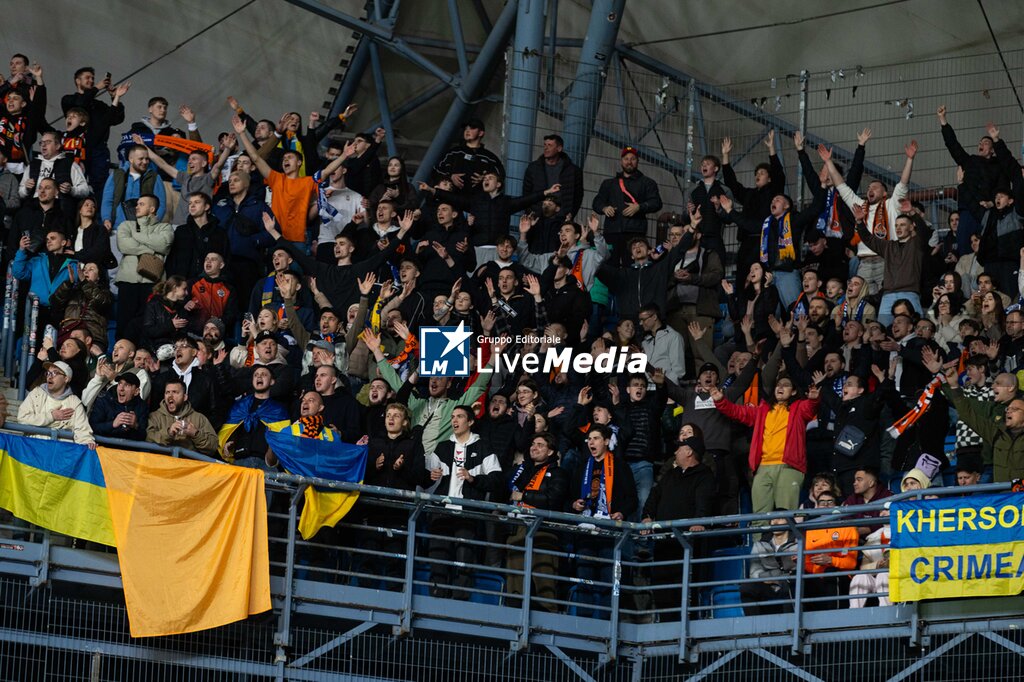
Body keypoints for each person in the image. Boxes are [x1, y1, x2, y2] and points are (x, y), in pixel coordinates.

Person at [423, 405, 503, 598]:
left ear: (470, 421)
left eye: (459, 416)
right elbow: (424, 477)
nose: (454, 420)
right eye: (452, 417)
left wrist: (473, 479)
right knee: (438, 559)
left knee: (464, 561)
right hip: (441, 512)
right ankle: (436, 599)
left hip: (468, 513)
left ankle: (459, 601)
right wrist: (430, 476)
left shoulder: (483, 447)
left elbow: (496, 481)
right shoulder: (443, 447)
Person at [712, 377, 820, 514]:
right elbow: (737, 412)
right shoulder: (762, 410)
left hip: (789, 467)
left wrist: (813, 400)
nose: (780, 387)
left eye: (786, 385)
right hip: (763, 468)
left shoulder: (799, 408)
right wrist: (720, 401)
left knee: (785, 515)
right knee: (759, 518)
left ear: (793, 392)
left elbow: (810, 408)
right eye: (778, 384)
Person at [641, 435, 715, 615]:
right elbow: (654, 495)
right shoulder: (671, 474)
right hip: (664, 542)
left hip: (686, 544)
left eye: (679, 448)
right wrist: (647, 517)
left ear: (689, 452)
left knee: (683, 589)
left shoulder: (704, 475)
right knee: (661, 588)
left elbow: (704, 502)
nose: (675, 452)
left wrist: (699, 521)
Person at [570, 425, 638, 618]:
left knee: (609, 579)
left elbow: (632, 499)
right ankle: (583, 622)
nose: (591, 442)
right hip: (585, 530)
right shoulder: (582, 467)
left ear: (607, 441)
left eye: (596, 438)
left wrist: (622, 512)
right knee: (585, 578)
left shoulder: (620, 466)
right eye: (589, 439)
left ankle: (607, 622)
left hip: (609, 531)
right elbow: (569, 497)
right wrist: (574, 504)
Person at [504, 431, 569, 611]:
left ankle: (548, 616)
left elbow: (553, 499)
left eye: (540, 445)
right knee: (515, 577)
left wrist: (524, 496)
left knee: (544, 578)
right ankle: (513, 613)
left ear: (550, 451)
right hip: (518, 527)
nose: (534, 448)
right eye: (533, 444)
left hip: (543, 529)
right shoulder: (522, 471)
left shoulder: (558, 473)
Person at [114, 193, 174, 340]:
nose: (137, 207)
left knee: (148, 322)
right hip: (128, 281)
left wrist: (136, 237)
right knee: (124, 322)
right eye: (137, 204)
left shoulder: (165, 227)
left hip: (153, 283)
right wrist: (153, 249)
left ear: (152, 209)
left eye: (141, 204)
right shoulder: (126, 225)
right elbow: (124, 245)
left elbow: (164, 245)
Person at [592, 146, 663, 266]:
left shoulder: (648, 183)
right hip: (612, 232)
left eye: (633, 159)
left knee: (633, 266)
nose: (629, 161)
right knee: (609, 265)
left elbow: (657, 203)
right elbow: (597, 202)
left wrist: (639, 207)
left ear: (638, 161)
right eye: (626, 159)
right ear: (621, 161)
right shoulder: (609, 184)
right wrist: (604, 208)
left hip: (635, 233)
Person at [802, 490, 858, 611]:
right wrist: (804, 563)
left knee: (831, 572)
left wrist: (830, 560)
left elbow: (851, 563)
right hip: (817, 577)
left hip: (841, 577)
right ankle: (795, 619)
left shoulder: (848, 528)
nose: (826, 505)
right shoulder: (810, 530)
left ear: (836, 506)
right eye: (822, 502)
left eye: (830, 502)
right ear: (817, 506)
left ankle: (834, 616)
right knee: (795, 575)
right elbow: (807, 563)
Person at [16, 360, 95, 446]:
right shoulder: (36, 393)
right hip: (34, 447)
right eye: (48, 373)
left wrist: (87, 441)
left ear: (66, 379)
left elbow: (82, 430)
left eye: (55, 373)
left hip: (61, 450)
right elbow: (22, 418)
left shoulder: (74, 402)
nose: (50, 377)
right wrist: (51, 416)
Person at [100, 143, 167, 229]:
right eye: (141, 159)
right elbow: (107, 200)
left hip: (144, 229)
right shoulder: (116, 175)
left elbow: (161, 205)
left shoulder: (155, 177)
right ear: (131, 159)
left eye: (147, 159)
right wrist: (106, 219)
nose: (145, 162)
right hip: (118, 227)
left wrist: (152, 224)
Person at [741, 515, 798, 616]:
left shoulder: (798, 543)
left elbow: (799, 569)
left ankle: (791, 623)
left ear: (789, 522)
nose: (775, 522)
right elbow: (755, 572)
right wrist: (771, 579)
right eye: (773, 519)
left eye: (780, 518)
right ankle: (755, 624)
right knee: (747, 587)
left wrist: (777, 579)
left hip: (789, 584)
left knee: (793, 582)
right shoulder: (760, 544)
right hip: (768, 585)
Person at [145, 377, 219, 455]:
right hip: (161, 462)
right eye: (167, 392)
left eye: (175, 392)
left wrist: (195, 434)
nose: (170, 396)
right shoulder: (154, 417)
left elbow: (213, 446)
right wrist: (168, 433)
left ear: (185, 397)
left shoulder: (199, 418)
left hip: (189, 462)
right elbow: (147, 439)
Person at [433, 118, 504, 195]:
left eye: (472, 128)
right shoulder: (454, 152)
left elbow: (500, 176)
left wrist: (485, 179)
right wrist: (451, 176)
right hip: (453, 198)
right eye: (466, 128)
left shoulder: (490, 158)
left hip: (478, 199)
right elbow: (436, 169)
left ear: (481, 133)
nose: (467, 131)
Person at [522, 134, 584, 217]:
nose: (546, 148)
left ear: (559, 148)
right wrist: (531, 212)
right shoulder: (533, 168)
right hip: (537, 215)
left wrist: (570, 214)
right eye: (545, 145)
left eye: (550, 145)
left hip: (561, 217)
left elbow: (578, 195)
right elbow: (526, 193)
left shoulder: (573, 171)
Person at [88, 372, 149, 441]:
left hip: (129, 447)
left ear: (136, 391)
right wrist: (112, 424)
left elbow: (144, 436)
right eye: (120, 383)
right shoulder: (104, 401)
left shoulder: (142, 406)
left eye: (127, 385)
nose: (121, 388)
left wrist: (135, 426)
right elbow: (92, 427)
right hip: (104, 446)